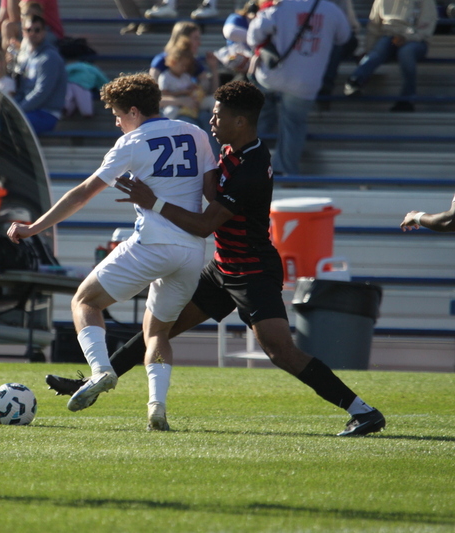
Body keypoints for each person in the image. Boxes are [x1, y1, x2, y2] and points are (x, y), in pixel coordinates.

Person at [46, 80, 387, 438]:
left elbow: (206, 225)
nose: (211, 121)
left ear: (240, 122)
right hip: (222, 268)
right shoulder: (228, 150)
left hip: (252, 270)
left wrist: (154, 202)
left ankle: (362, 411)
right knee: (158, 330)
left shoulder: (253, 167)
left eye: (218, 115)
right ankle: (94, 380)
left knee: (280, 351)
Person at [8, 73, 216, 430]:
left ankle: (101, 370)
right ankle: (156, 407)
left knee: (84, 302)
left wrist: (33, 228)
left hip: (153, 242)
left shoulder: (132, 142)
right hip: (193, 251)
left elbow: (83, 192)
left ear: (134, 111)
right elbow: (213, 194)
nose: (117, 122)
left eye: (119, 115)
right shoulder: (196, 133)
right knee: (157, 333)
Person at [247, 0, 351, 175]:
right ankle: (285, 170)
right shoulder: (332, 10)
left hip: (273, 76)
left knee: (259, 113)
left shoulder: (278, 7)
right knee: (294, 124)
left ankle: (251, 164)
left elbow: (253, 37)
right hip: (306, 82)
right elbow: (344, 37)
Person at [344, 0, 438, 112]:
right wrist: (368, 50)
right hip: (390, 36)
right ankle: (354, 81)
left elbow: (426, 27)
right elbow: (374, 27)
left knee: (406, 53)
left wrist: (406, 37)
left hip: (416, 40)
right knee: (378, 51)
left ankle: (407, 99)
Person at [14, 14, 67, 134]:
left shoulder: (49, 57)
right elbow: (22, 89)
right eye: (29, 30)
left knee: (11, 123)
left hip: (46, 114)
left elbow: (42, 91)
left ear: (44, 32)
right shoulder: (28, 57)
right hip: (30, 111)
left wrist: (18, 109)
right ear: (23, 32)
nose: (32, 33)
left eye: (37, 30)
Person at [317, 0, 361, 106]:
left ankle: (326, 87)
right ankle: (324, 87)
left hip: (340, 38)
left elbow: (351, 26)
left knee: (336, 44)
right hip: (318, 39)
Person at [0, 0, 64, 52]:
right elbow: (2, 19)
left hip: (47, 30)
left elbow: (21, 18)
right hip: (26, 29)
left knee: (8, 27)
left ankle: (10, 69)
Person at [158, 37, 206, 126]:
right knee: (170, 112)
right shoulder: (165, 76)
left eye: (186, 66)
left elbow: (191, 87)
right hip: (173, 104)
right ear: (173, 62)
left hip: (188, 103)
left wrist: (193, 88)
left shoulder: (185, 76)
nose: (184, 68)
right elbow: (164, 94)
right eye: (182, 65)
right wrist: (181, 93)